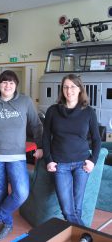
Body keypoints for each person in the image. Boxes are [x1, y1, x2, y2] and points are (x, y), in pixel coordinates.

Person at [0, 70, 43, 240]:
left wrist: (41, 146)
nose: (8, 86)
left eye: (11, 83)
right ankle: (7, 223)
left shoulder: (25, 102)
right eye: (4, 82)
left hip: (16, 156)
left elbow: (36, 126)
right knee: (0, 192)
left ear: (16, 86)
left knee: (21, 192)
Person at [43, 74, 101, 226]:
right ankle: (84, 235)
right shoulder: (52, 111)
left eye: (73, 87)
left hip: (82, 164)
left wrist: (92, 162)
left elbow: (96, 139)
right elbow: (45, 137)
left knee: (77, 208)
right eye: (66, 87)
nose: (69, 90)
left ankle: (77, 236)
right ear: (62, 90)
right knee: (68, 210)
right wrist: (48, 160)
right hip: (60, 165)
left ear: (80, 89)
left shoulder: (89, 112)